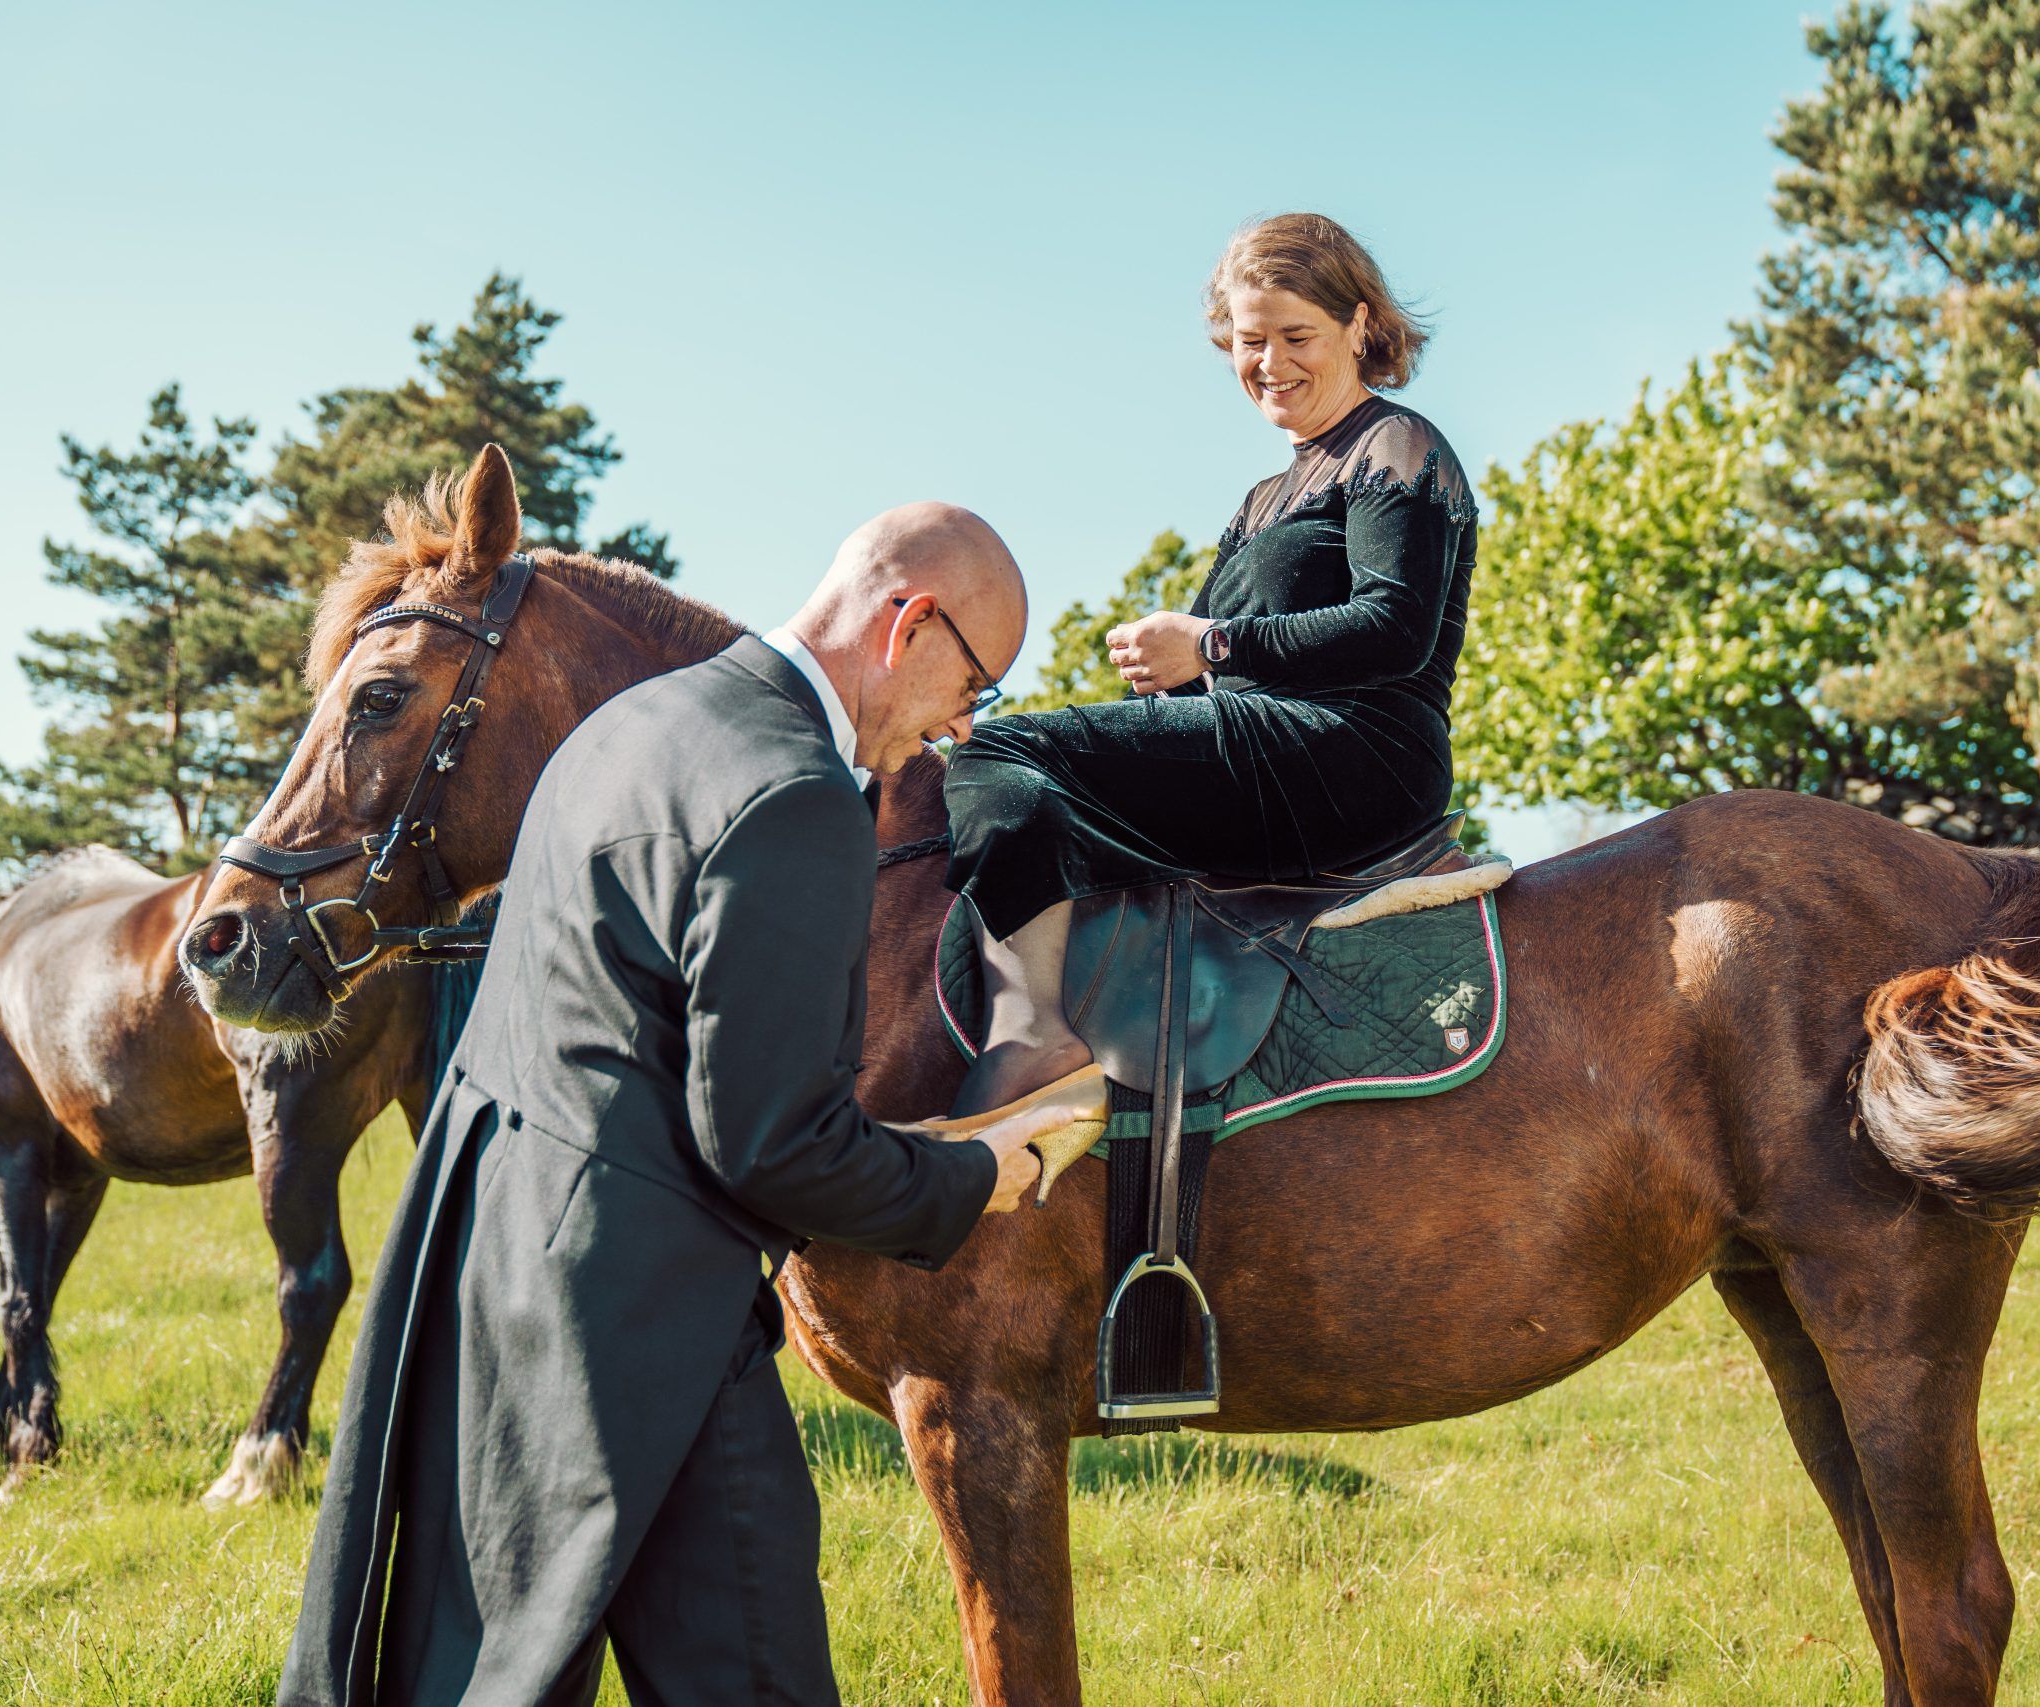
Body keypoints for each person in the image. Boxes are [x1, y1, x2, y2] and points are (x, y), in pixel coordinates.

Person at [277, 500, 1064, 1707]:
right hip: (640, 1321)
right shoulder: (798, 795)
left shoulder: (635, 725)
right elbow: (770, 1149)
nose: (964, 725)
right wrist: (986, 1170)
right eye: (977, 684)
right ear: (910, 624)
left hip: (497, 1274)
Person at [941, 212, 1480, 1118]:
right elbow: (1224, 669)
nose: (1270, 362)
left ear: (1360, 326)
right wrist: (1172, 673)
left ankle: (1032, 1036)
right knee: (1033, 786)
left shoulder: (1397, 443)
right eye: (1247, 340)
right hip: (1269, 746)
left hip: (1359, 753)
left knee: (998, 757)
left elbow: (1396, 628)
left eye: (1296, 335)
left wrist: (1210, 644)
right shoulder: (1263, 498)